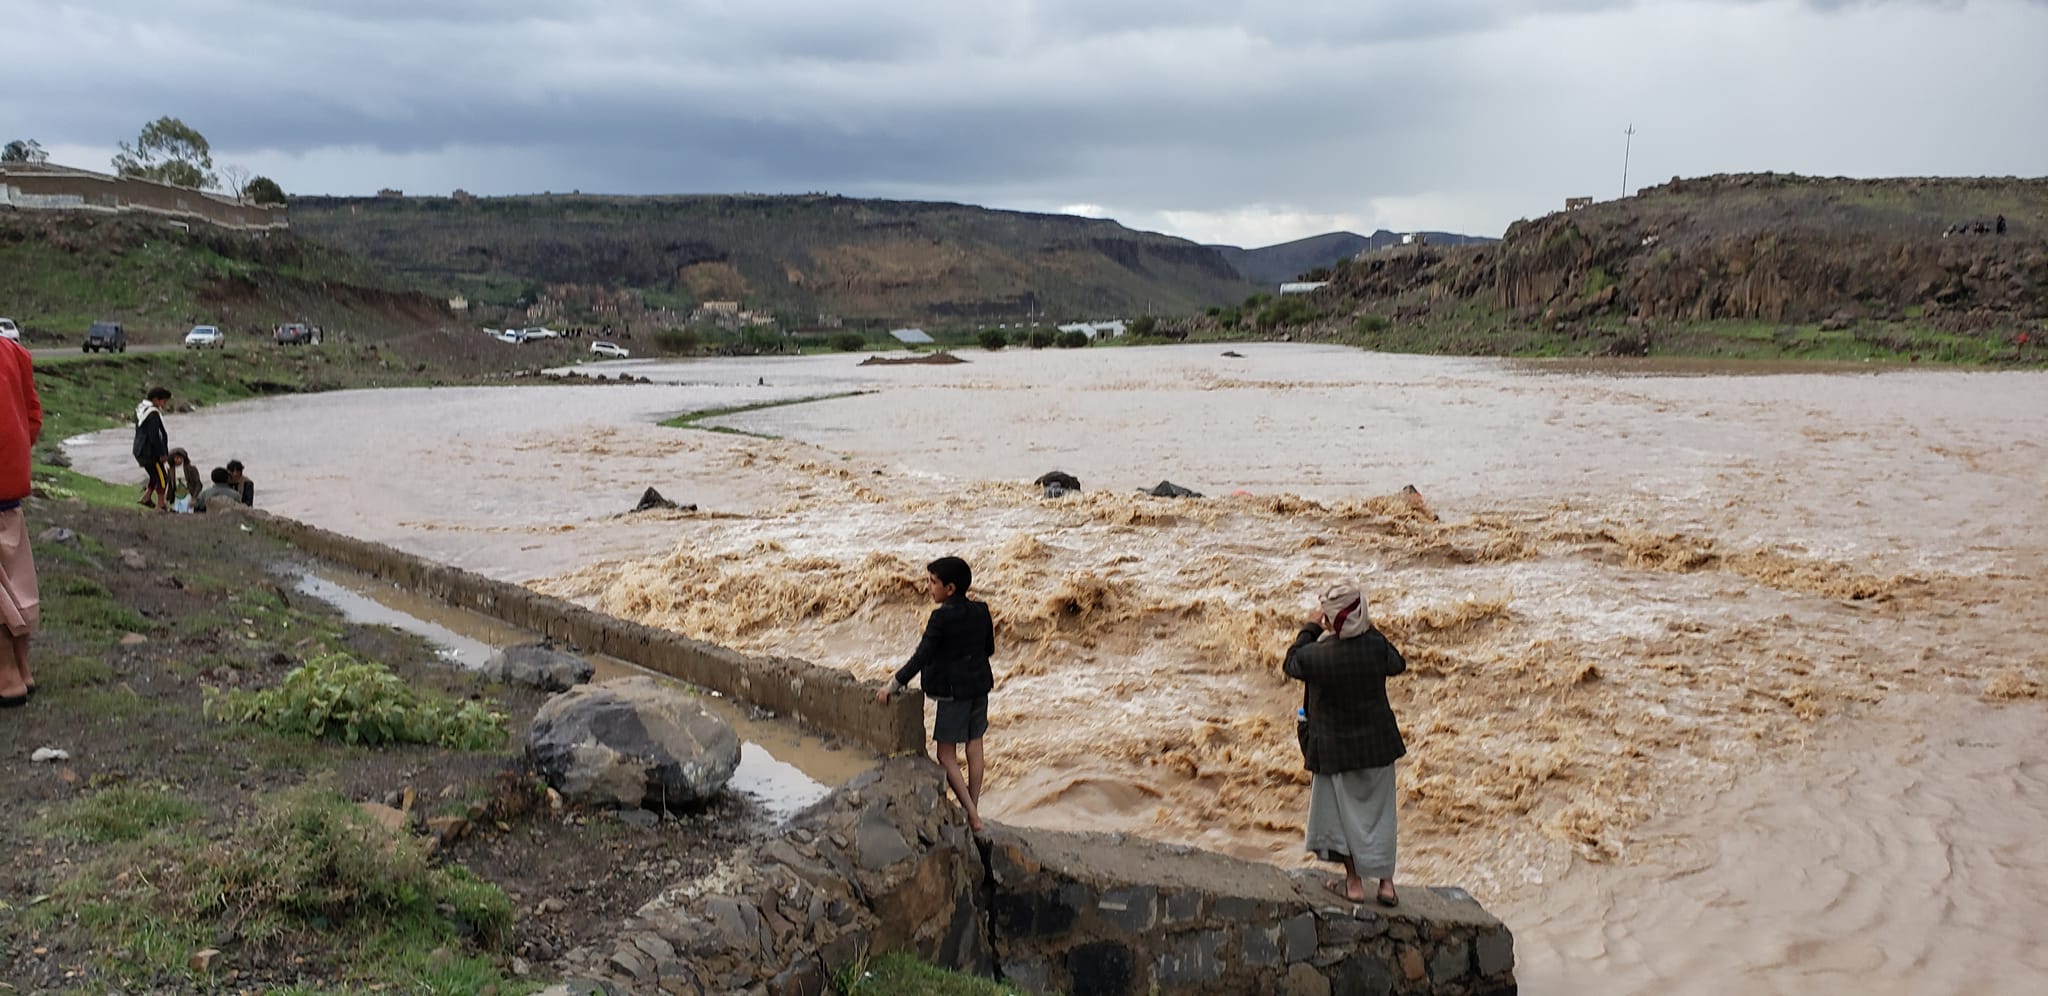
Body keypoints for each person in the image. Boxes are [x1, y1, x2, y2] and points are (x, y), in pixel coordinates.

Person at [1284, 581, 1408, 907]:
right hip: (1377, 747)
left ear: (1330, 619)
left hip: (1335, 751)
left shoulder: (1318, 656)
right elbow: (1398, 663)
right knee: (1380, 818)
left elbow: (1291, 661)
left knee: (1342, 819)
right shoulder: (1375, 648)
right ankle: (1386, 886)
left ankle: (1353, 884)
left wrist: (1310, 626)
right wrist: (1367, 628)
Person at [875, 556, 996, 832]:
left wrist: (892, 686)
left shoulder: (940, 617)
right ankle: (974, 807)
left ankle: (972, 815)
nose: (928, 587)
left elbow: (921, 657)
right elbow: (988, 648)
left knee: (946, 755)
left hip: (954, 692)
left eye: (932, 582)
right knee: (975, 745)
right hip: (979, 686)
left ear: (950, 588)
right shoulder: (981, 609)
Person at [0, 331, 40, 706]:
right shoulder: (14, 352)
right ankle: (23, 668)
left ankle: (6, 675)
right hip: (10, 485)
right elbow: (33, 417)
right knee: (16, 576)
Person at [132, 387, 172, 510]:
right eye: (164, 401)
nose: (165, 405)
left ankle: (146, 498)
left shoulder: (141, 409)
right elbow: (154, 436)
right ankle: (161, 504)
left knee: (154, 476)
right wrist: (162, 453)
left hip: (139, 450)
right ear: (156, 400)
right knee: (163, 477)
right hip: (150, 453)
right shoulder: (153, 414)